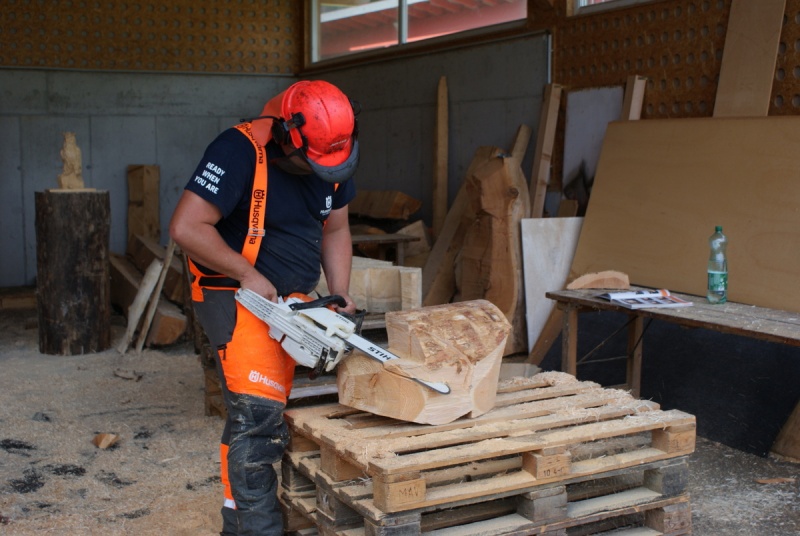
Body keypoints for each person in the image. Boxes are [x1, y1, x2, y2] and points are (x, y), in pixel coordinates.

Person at [169, 79, 359, 535]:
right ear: (288, 135)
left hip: (292, 299)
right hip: (233, 292)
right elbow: (187, 227)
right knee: (256, 420)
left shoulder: (332, 150)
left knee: (260, 415)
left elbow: (336, 229)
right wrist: (246, 272)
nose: (323, 172)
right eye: (314, 163)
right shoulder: (237, 151)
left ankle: (237, 521)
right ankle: (258, 528)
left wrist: (339, 292)